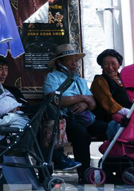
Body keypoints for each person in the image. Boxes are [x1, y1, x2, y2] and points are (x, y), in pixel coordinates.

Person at [43, 44, 108, 183]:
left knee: (109, 129)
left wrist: (85, 103)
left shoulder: (80, 80)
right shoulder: (52, 78)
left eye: (75, 60)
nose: (74, 63)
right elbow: (55, 100)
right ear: (60, 63)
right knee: (81, 133)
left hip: (84, 118)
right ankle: (85, 174)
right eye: (70, 60)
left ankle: (113, 169)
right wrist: (81, 98)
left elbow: (92, 102)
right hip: (63, 119)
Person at [90, 49, 132, 123]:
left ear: (119, 64)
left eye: (113, 63)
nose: (110, 67)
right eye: (105, 64)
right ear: (101, 66)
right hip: (112, 119)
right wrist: (128, 112)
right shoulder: (100, 80)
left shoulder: (124, 78)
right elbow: (108, 102)